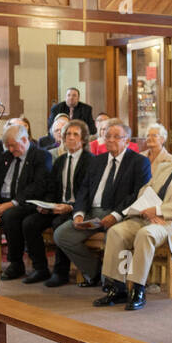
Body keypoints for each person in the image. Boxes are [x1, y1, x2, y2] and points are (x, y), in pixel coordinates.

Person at [93, 134, 172, 311]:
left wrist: (158, 211)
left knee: (145, 234)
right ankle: (118, 288)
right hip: (147, 216)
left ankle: (137, 289)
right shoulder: (164, 167)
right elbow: (145, 189)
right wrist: (147, 209)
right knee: (117, 231)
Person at [53, 119, 153, 289]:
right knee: (61, 235)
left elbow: (137, 195)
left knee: (115, 235)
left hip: (120, 215)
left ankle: (114, 281)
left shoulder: (138, 162)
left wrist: (115, 216)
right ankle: (95, 271)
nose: (110, 140)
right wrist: (79, 214)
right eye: (107, 136)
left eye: (116, 137)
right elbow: (84, 190)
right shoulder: (97, 161)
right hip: (92, 214)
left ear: (127, 141)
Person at [22, 121, 92, 287]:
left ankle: (61, 273)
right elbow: (51, 187)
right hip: (58, 206)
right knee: (29, 223)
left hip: (78, 209)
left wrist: (71, 207)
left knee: (58, 224)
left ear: (83, 140)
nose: (71, 138)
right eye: (68, 134)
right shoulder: (60, 161)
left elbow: (89, 192)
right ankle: (40, 269)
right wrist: (46, 205)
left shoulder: (90, 161)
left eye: (75, 134)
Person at [0, 122, 53, 280]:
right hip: (2, 200)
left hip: (28, 202)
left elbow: (37, 187)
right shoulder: (6, 156)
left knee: (11, 215)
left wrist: (10, 204)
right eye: (7, 146)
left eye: (13, 145)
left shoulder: (41, 156)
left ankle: (16, 263)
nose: (10, 149)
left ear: (24, 139)